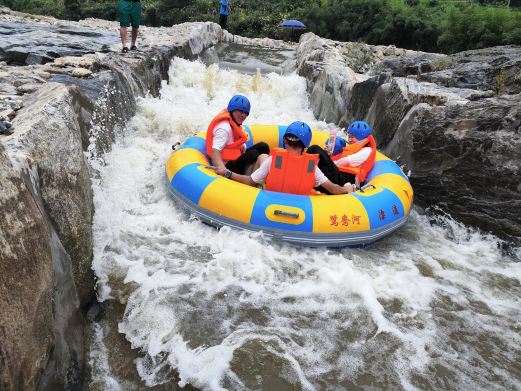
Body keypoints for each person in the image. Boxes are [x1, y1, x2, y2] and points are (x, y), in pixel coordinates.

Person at [216, 121, 355, 195]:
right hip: (302, 208)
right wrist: (347, 189)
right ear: (305, 145)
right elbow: (333, 189)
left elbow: (249, 181)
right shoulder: (311, 167)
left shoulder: (274, 160)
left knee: (263, 156)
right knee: (263, 157)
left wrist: (227, 173)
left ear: (285, 141)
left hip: (268, 202)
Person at [208, 95, 269, 176]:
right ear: (232, 110)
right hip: (227, 166)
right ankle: (253, 178)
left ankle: (262, 173)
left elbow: (234, 142)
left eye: (246, 113)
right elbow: (215, 151)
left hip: (234, 159)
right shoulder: (224, 128)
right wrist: (223, 170)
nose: (243, 115)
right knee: (253, 154)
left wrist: (242, 146)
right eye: (240, 111)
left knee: (263, 146)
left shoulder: (235, 122)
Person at [307, 120, 376, 192]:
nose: (349, 139)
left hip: (347, 179)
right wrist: (329, 157)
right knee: (316, 160)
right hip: (339, 176)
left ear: (361, 136)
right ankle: (307, 175)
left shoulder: (367, 150)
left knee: (314, 149)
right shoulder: (351, 149)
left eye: (352, 137)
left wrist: (329, 161)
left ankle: (307, 174)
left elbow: (348, 161)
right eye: (349, 136)